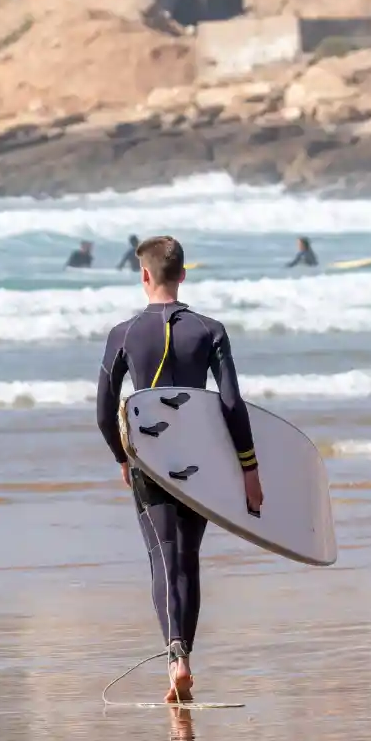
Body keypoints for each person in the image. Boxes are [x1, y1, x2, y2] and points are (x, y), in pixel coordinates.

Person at [96, 236, 261, 704]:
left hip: (150, 459)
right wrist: (249, 468)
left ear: (144, 276)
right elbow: (231, 404)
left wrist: (121, 457)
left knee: (162, 556)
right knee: (187, 557)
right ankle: (184, 655)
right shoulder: (211, 330)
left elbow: (105, 410)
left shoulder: (123, 334)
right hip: (201, 460)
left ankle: (176, 658)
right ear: (183, 275)